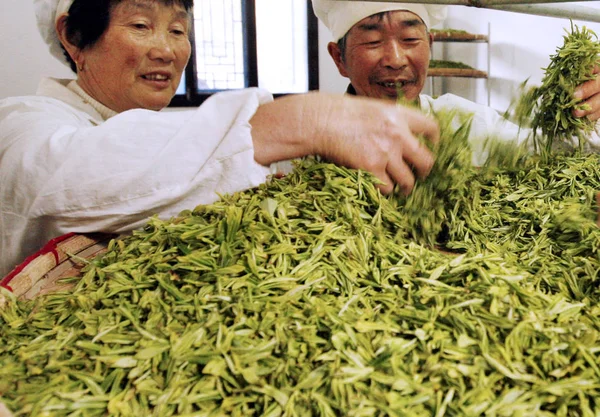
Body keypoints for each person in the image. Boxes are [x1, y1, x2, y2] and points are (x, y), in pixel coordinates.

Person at [0, 0, 442, 278]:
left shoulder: (166, 128)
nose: (167, 50)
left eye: (177, 29)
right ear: (73, 38)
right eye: (140, 25)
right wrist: (304, 118)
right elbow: (56, 178)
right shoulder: (25, 122)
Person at [312, 0, 600, 163]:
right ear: (339, 59)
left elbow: (559, 152)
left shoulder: (462, 123)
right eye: (373, 41)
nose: (396, 59)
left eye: (410, 39)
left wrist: (584, 113)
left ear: (430, 45)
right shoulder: (309, 142)